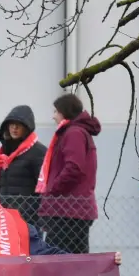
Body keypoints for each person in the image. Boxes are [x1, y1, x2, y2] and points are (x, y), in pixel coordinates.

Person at [37, 93, 101, 254]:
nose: (53, 116)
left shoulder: (73, 133)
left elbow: (74, 167)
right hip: (72, 209)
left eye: (56, 111)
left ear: (64, 112)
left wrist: (53, 189)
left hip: (67, 210)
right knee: (75, 261)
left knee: (57, 259)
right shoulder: (78, 132)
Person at [0, 105, 46, 228]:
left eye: (19, 124)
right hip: (3, 217)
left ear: (27, 127)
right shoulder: (4, 154)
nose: (14, 128)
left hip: (28, 220)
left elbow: (43, 188)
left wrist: (37, 216)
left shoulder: (38, 152)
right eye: (11, 124)